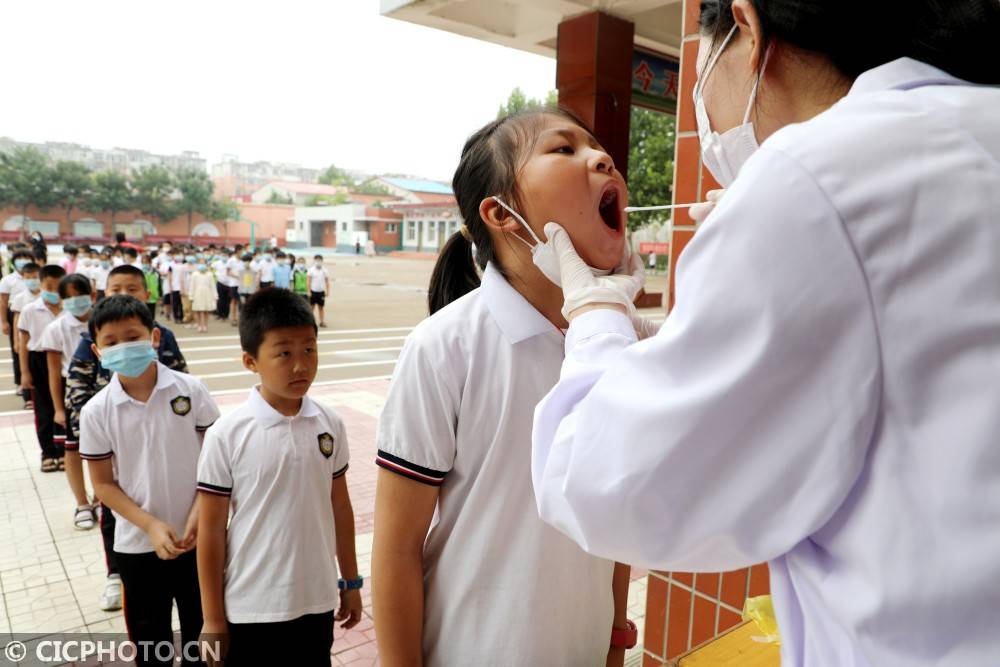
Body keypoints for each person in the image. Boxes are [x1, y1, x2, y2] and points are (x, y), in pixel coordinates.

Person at [529, 2, 1000, 667]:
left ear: (746, 28)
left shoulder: (813, 176)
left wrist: (597, 315)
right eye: (562, 148)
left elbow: (610, 482)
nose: (602, 162)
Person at [371, 109, 634, 667]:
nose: (602, 159)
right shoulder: (443, 348)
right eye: (563, 150)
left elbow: (612, 515)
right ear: (502, 215)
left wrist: (613, 639)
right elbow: (395, 550)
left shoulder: (613, 344)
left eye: (596, 148)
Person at [196, 289, 361, 666]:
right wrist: (212, 617)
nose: (300, 365)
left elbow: (340, 507)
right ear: (250, 361)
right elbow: (211, 531)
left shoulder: (329, 424)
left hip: (315, 600)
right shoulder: (228, 434)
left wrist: (350, 582)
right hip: (252, 607)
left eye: (309, 349)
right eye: (284, 353)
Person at [80, 296, 218, 667]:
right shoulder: (96, 412)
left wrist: (198, 513)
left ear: (154, 337)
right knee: (150, 638)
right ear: (97, 350)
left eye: (132, 336)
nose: (123, 347)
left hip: (199, 538)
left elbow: (218, 462)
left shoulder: (192, 390)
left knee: (203, 634)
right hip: (137, 546)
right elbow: (104, 485)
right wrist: (152, 526)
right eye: (111, 342)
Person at [67, 264, 189, 612]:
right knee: (114, 520)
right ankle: (115, 576)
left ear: (146, 293)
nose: (123, 293)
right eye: (115, 287)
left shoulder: (165, 341)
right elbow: (77, 391)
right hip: (120, 460)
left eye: (132, 288)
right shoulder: (96, 403)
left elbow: (180, 377)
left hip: (171, 457)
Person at [40, 273, 96, 529]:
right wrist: (58, 409)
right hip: (72, 391)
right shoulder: (56, 328)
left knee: (105, 449)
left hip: (101, 385)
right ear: (62, 301)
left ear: (91, 295)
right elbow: (53, 372)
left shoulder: (101, 319)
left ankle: (101, 497)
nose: (75, 301)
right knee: (72, 449)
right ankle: (82, 503)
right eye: (68, 297)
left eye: (79, 296)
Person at [18, 264, 67, 472]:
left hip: (62, 359)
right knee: (44, 408)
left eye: (58, 287)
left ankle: (64, 450)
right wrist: (25, 372)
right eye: (49, 286)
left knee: (64, 405)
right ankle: (47, 452)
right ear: (41, 284)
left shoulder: (69, 307)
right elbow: (23, 342)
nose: (54, 291)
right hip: (38, 360)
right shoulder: (30, 309)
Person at [1, 249, 38, 396]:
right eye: (19, 258)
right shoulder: (8, 280)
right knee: (18, 350)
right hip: (16, 313)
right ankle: (21, 381)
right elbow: (3, 302)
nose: (22, 260)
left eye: (26, 258)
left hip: (35, 315)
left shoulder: (37, 278)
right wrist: (4, 321)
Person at [188, 260, 216, 334]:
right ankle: (199, 325)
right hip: (197, 293)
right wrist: (191, 295)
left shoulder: (210, 274)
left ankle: (205, 325)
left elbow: (212, 286)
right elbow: (192, 285)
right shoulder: (195, 274)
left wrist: (215, 296)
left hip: (207, 293)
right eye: (201, 263)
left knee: (206, 310)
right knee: (198, 310)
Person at [306, 255, 329, 328]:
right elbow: (308, 281)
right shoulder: (311, 270)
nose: (318, 262)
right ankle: (310, 322)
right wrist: (309, 291)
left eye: (320, 260)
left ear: (322, 261)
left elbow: (327, 281)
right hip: (313, 291)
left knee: (321, 307)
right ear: (314, 261)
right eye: (317, 260)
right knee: (311, 307)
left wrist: (327, 291)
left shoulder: (324, 270)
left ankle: (322, 321)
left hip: (321, 292)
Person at [141, 254, 161, 322]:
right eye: (143, 263)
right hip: (143, 297)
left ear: (150, 263)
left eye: (146, 263)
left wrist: (159, 296)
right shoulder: (140, 273)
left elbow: (159, 285)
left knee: (152, 315)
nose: (145, 264)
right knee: (143, 315)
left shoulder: (156, 273)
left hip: (153, 297)